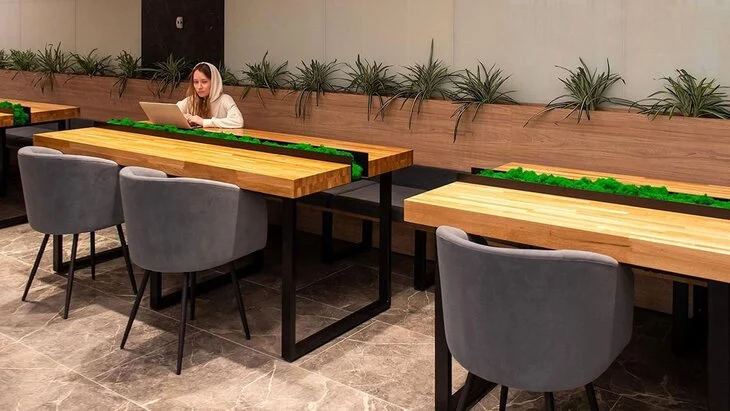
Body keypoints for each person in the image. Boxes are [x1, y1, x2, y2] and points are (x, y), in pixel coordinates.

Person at [176, 62, 244, 128]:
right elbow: (172, 112)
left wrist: (203, 122)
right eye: (196, 82)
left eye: (204, 82)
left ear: (214, 82)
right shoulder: (191, 99)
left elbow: (238, 121)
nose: (199, 87)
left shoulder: (225, 99)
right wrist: (182, 117)